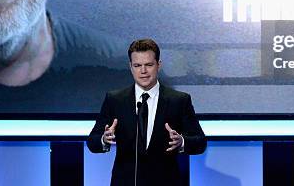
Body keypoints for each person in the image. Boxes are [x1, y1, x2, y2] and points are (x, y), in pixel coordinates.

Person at [87, 38, 207, 186]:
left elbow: (200, 142)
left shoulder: (179, 100)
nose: (143, 71)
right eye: (137, 65)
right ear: (130, 66)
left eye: (149, 65)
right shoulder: (115, 100)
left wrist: (181, 141)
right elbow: (92, 142)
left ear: (158, 65)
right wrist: (104, 139)